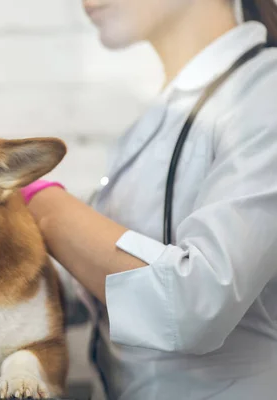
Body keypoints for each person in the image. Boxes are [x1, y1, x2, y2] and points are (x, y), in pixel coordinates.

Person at [20, 0, 277, 399]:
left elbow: (195, 304)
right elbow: (95, 283)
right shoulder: (157, 119)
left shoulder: (267, 91)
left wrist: (43, 205)